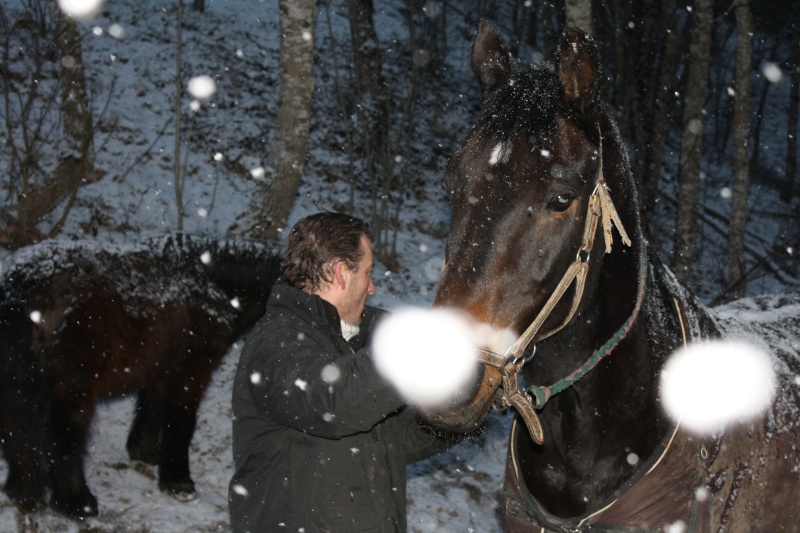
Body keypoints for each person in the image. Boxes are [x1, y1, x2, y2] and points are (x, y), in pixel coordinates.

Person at [229, 212, 455, 533]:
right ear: (340, 273)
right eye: (367, 272)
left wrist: (462, 409)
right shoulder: (276, 342)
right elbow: (334, 401)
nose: (372, 287)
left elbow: (394, 440)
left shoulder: (345, 343)